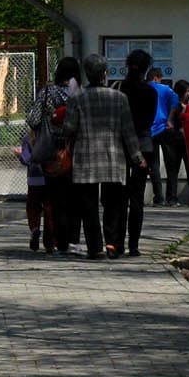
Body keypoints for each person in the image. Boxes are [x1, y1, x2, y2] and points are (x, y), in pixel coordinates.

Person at [61, 53, 147, 258]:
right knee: (114, 203)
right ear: (105, 73)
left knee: (88, 205)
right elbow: (128, 131)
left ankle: (95, 247)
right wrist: (137, 157)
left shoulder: (77, 99)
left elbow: (69, 129)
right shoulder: (119, 98)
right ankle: (112, 243)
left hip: (86, 158)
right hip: (114, 157)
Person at [25, 56, 81, 255]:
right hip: (75, 151)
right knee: (73, 198)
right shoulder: (79, 94)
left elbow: (32, 119)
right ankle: (73, 240)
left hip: (51, 152)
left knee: (53, 199)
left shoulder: (47, 92)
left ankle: (56, 242)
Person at [114, 49, 158, 256]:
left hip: (120, 144)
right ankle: (134, 245)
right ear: (146, 68)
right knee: (137, 197)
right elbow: (149, 121)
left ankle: (118, 243)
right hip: (143, 144)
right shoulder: (150, 92)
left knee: (120, 197)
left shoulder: (119, 89)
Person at [148, 66, 184, 206]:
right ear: (157, 76)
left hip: (150, 130)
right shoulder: (166, 89)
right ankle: (172, 197)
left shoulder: (144, 89)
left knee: (154, 165)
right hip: (165, 128)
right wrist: (170, 119)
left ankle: (158, 198)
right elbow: (176, 103)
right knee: (171, 164)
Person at [15, 132, 53, 251]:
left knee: (32, 207)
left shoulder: (28, 138)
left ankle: (34, 227)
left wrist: (19, 155)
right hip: (50, 176)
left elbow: (26, 159)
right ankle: (50, 242)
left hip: (34, 178)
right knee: (49, 210)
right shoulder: (52, 135)